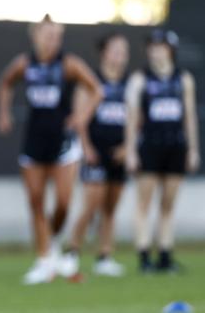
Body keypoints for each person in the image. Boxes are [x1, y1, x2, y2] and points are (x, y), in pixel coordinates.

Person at [0, 15, 103, 285]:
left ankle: (51, 242)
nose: (51, 40)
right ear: (35, 36)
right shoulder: (25, 63)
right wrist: (4, 114)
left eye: (55, 35)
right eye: (46, 34)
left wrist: (82, 117)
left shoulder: (69, 64)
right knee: (36, 202)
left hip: (63, 142)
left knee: (64, 203)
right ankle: (44, 259)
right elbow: (5, 83)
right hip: (34, 141)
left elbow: (96, 90)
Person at [125, 29, 199, 273]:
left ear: (170, 50)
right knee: (144, 203)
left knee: (167, 204)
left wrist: (192, 149)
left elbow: (189, 117)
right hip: (150, 147)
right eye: (152, 46)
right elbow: (132, 118)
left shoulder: (183, 79)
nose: (155, 51)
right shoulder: (140, 79)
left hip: (175, 146)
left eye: (161, 46)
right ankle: (144, 256)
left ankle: (165, 255)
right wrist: (131, 151)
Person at [58, 33, 130, 277]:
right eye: (115, 50)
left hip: (118, 153)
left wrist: (127, 148)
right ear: (104, 53)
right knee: (90, 206)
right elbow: (79, 119)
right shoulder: (91, 82)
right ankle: (72, 252)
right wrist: (87, 147)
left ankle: (104, 256)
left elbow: (134, 120)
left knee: (110, 207)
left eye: (123, 50)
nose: (120, 55)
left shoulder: (128, 84)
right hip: (95, 153)